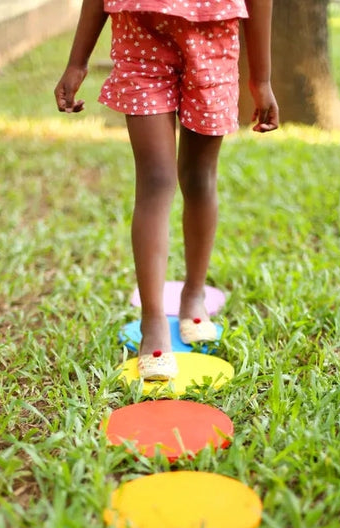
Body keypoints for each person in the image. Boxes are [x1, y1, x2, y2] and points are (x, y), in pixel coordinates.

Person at [54, 0, 279, 380]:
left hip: (213, 35)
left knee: (198, 177)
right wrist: (77, 62)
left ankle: (193, 294)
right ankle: (153, 319)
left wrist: (262, 79)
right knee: (156, 180)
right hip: (141, 31)